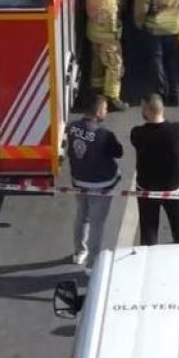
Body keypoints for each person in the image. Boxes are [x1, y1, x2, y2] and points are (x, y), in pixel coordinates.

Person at [65, 93, 123, 268]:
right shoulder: (105, 134)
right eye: (105, 109)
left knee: (82, 216)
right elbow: (118, 152)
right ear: (98, 112)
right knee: (97, 224)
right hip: (101, 185)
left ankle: (79, 252)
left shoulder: (72, 127)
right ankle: (92, 263)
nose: (106, 112)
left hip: (79, 181)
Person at [130, 93, 179, 244]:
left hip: (147, 189)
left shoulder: (138, 133)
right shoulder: (177, 131)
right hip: (175, 189)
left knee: (148, 232)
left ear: (148, 110)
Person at [86, 0, 126, 110]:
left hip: (93, 30)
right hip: (106, 34)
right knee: (114, 64)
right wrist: (115, 33)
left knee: (97, 63)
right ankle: (113, 97)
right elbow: (111, 13)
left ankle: (96, 92)